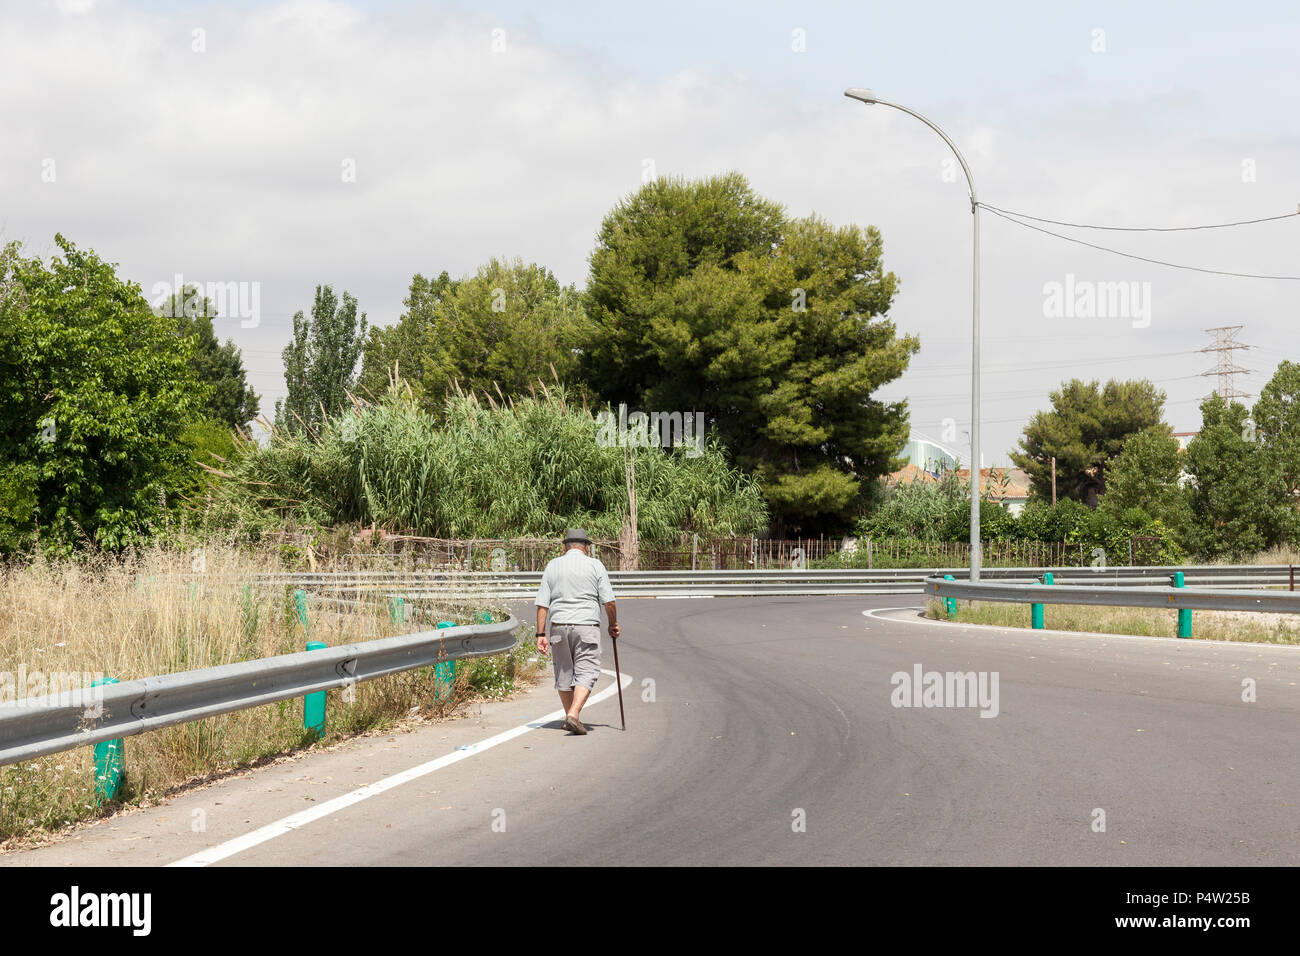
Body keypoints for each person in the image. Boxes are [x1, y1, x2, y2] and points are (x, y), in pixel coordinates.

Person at [534, 528, 620, 734]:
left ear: (565, 546)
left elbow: (542, 604)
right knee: (587, 671)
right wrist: (613, 624)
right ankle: (573, 714)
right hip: (586, 626)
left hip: (558, 627)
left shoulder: (553, 565)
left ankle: (571, 716)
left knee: (563, 672)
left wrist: (540, 634)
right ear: (587, 547)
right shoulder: (595, 565)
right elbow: (608, 602)